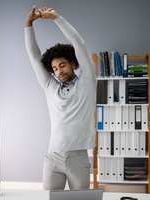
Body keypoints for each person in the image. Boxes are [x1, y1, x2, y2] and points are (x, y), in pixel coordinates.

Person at [25, 6, 97, 190]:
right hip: (52, 158)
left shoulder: (87, 81)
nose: (59, 71)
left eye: (63, 65)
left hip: (78, 158)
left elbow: (79, 44)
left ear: (73, 64)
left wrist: (57, 18)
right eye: (55, 69)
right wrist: (28, 24)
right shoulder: (50, 87)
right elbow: (34, 58)